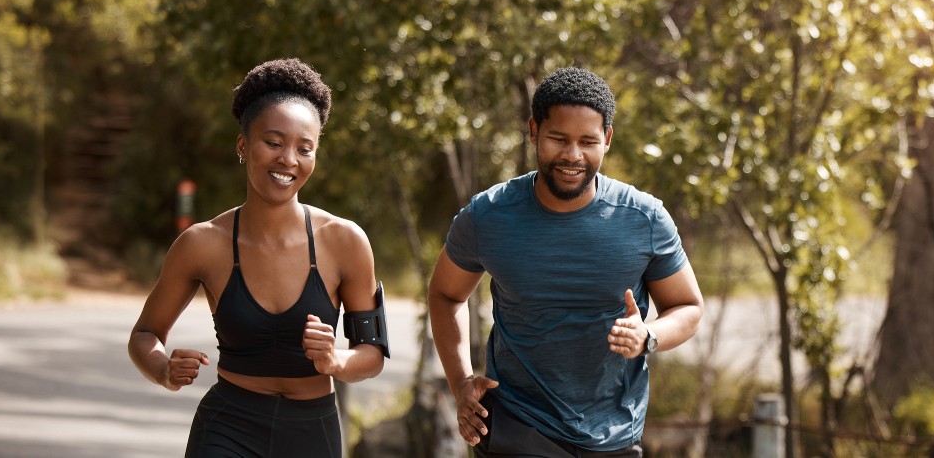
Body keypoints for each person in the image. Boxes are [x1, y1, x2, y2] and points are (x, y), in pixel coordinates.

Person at [427, 66, 706, 457]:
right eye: (558, 138)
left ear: (607, 140)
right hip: (517, 430)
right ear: (533, 131)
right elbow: (444, 294)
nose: (572, 155)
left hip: (614, 436)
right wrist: (460, 381)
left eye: (587, 141)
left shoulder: (644, 218)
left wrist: (648, 335)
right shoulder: (488, 216)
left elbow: (688, 307)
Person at [127, 58, 389, 458]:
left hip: (312, 432)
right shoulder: (202, 243)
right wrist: (162, 369)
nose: (288, 159)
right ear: (243, 146)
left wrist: (336, 359)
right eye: (274, 142)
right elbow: (145, 334)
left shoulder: (345, 241)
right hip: (227, 428)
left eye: (305, 148)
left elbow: (371, 355)